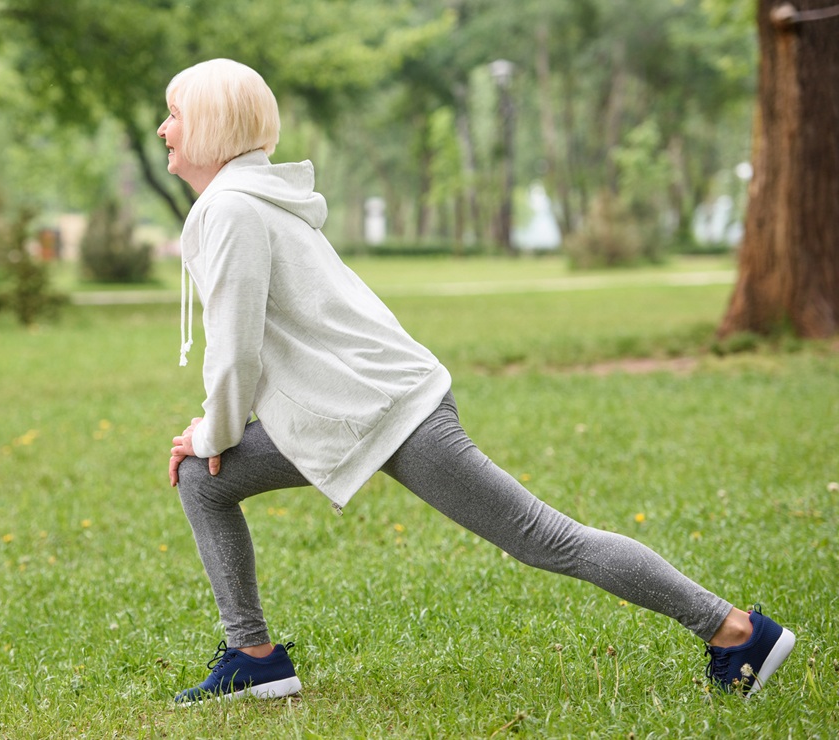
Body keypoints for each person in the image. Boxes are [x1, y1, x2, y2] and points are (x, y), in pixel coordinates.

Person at [159, 58, 794, 706]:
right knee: (202, 482)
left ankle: (737, 632)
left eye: (175, 114)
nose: (164, 129)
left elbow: (235, 354)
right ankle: (254, 657)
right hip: (355, 412)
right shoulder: (253, 202)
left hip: (391, 414)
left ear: (210, 125)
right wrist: (211, 441)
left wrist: (211, 434)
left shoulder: (232, 211)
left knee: (547, 539)